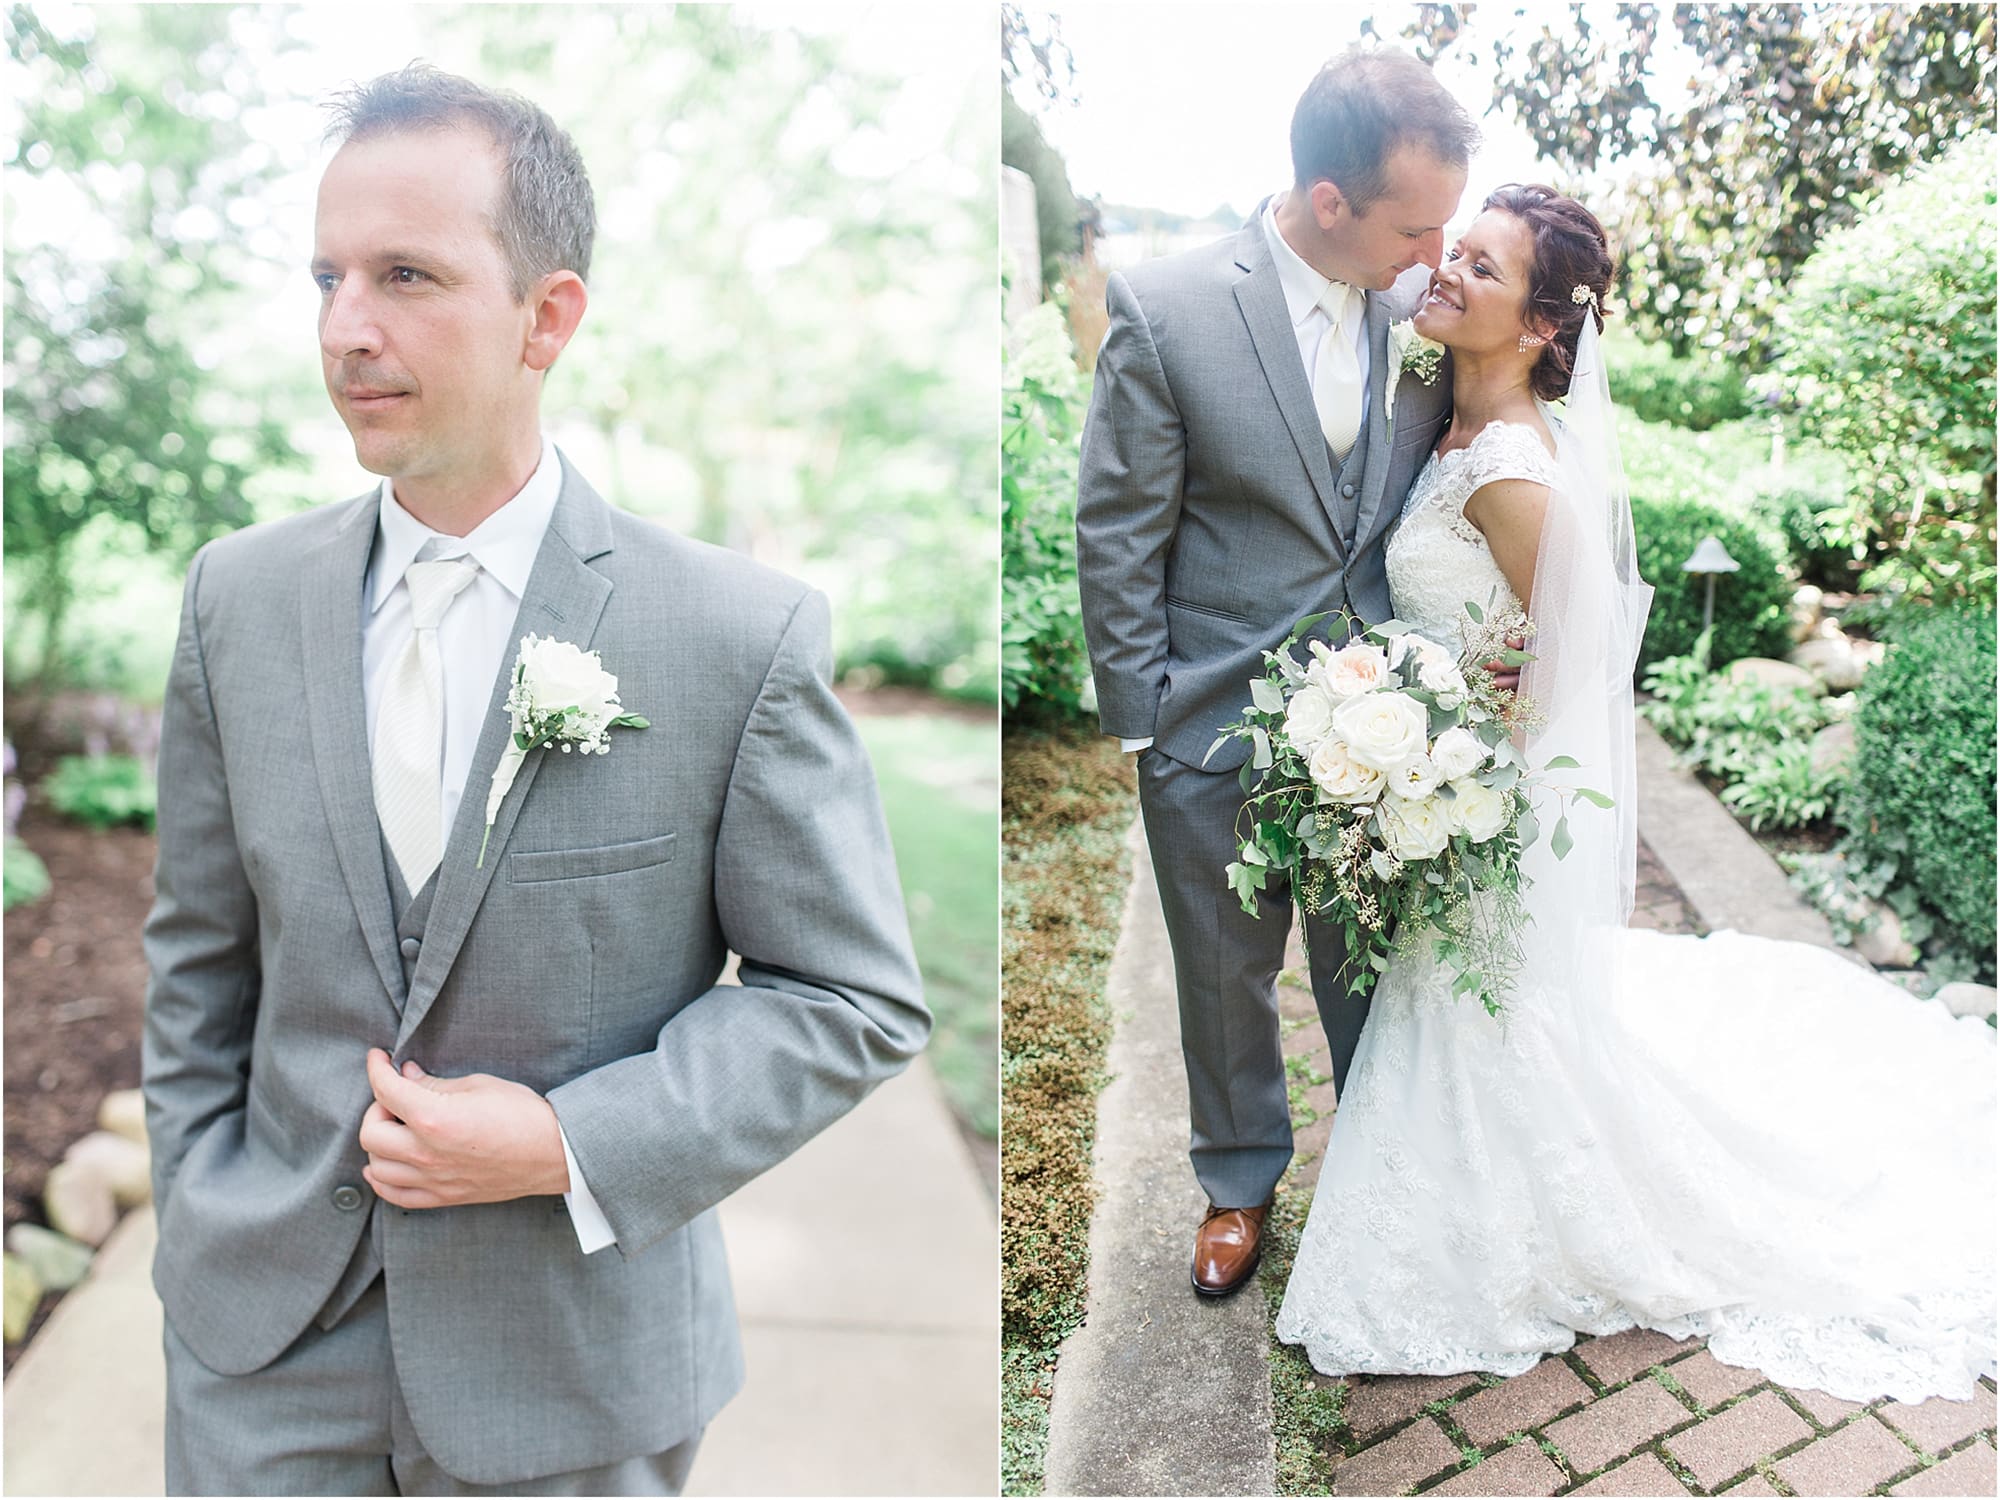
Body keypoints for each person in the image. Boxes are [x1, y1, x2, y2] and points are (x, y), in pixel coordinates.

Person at [141, 64, 929, 1495]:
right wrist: (199, 1208)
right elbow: (200, 959)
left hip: (570, 1377)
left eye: (405, 275)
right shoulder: (233, 603)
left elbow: (852, 997)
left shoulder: (733, 636)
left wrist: (569, 1141)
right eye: (325, 277)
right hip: (260, 1354)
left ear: (547, 315)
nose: (344, 329)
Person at [1275, 184, 1995, 1404]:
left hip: (1463, 798)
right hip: (1431, 772)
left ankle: (1531, 1219)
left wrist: (1439, 775)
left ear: (1543, 329)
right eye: (1453, 251)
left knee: (1489, 1020)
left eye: (1482, 270)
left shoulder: (1507, 471)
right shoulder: (1442, 414)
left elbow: (1563, 672)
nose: (1446, 272)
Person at [1075, 46, 1479, 1298]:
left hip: (1381, 724)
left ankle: (1374, 1173)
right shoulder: (1169, 308)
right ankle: (1237, 1183)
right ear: (1326, 204)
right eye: (1415, 224)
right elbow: (1118, 528)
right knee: (1222, 971)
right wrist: (1144, 727)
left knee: (1367, 959)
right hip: (1211, 721)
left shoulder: (1422, 318)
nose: (1437, 252)